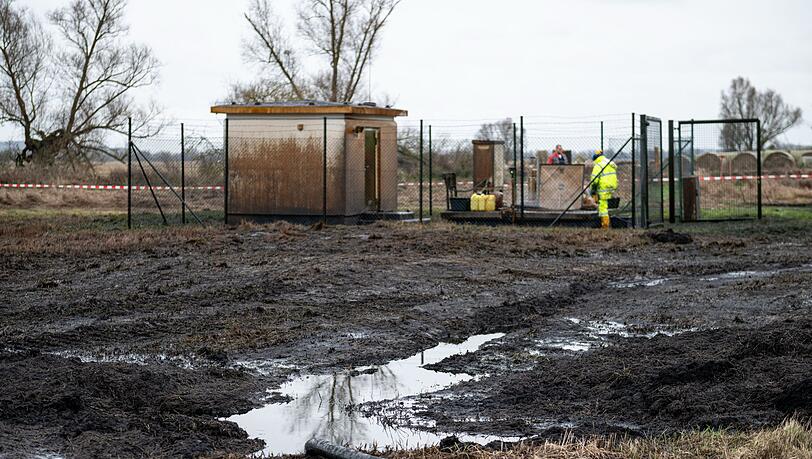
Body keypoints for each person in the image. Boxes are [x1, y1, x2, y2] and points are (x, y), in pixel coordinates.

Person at [590, 150, 618, 229]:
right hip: (612, 186)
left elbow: (594, 180)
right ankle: (610, 222)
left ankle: (605, 226)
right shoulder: (610, 162)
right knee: (609, 206)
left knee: (603, 207)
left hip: (603, 188)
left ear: (595, 158)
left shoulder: (598, 165)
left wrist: (593, 189)